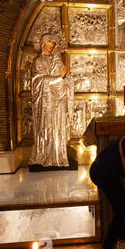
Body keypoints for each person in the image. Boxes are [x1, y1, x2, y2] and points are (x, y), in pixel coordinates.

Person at [29, 31, 73, 168]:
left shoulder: (57, 61)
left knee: (57, 127)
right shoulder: (38, 62)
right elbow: (37, 81)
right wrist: (58, 79)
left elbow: (66, 78)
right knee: (46, 127)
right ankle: (44, 155)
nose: (51, 45)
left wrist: (66, 79)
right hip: (45, 102)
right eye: (49, 41)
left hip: (57, 101)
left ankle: (58, 155)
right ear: (43, 43)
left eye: (53, 42)